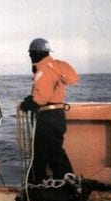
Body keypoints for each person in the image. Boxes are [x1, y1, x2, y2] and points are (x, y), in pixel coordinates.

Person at [20, 38, 79, 185]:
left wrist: (28, 103)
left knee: (53, 153)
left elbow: (42, 99)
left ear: (35, 53)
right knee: (41, 152)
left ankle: (67, 187)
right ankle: (36, 185)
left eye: (31, 54)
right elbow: (47, 92)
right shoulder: (54, 67)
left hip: (47, 118)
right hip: (56, 115)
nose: (31, 57)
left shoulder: (43, 70)